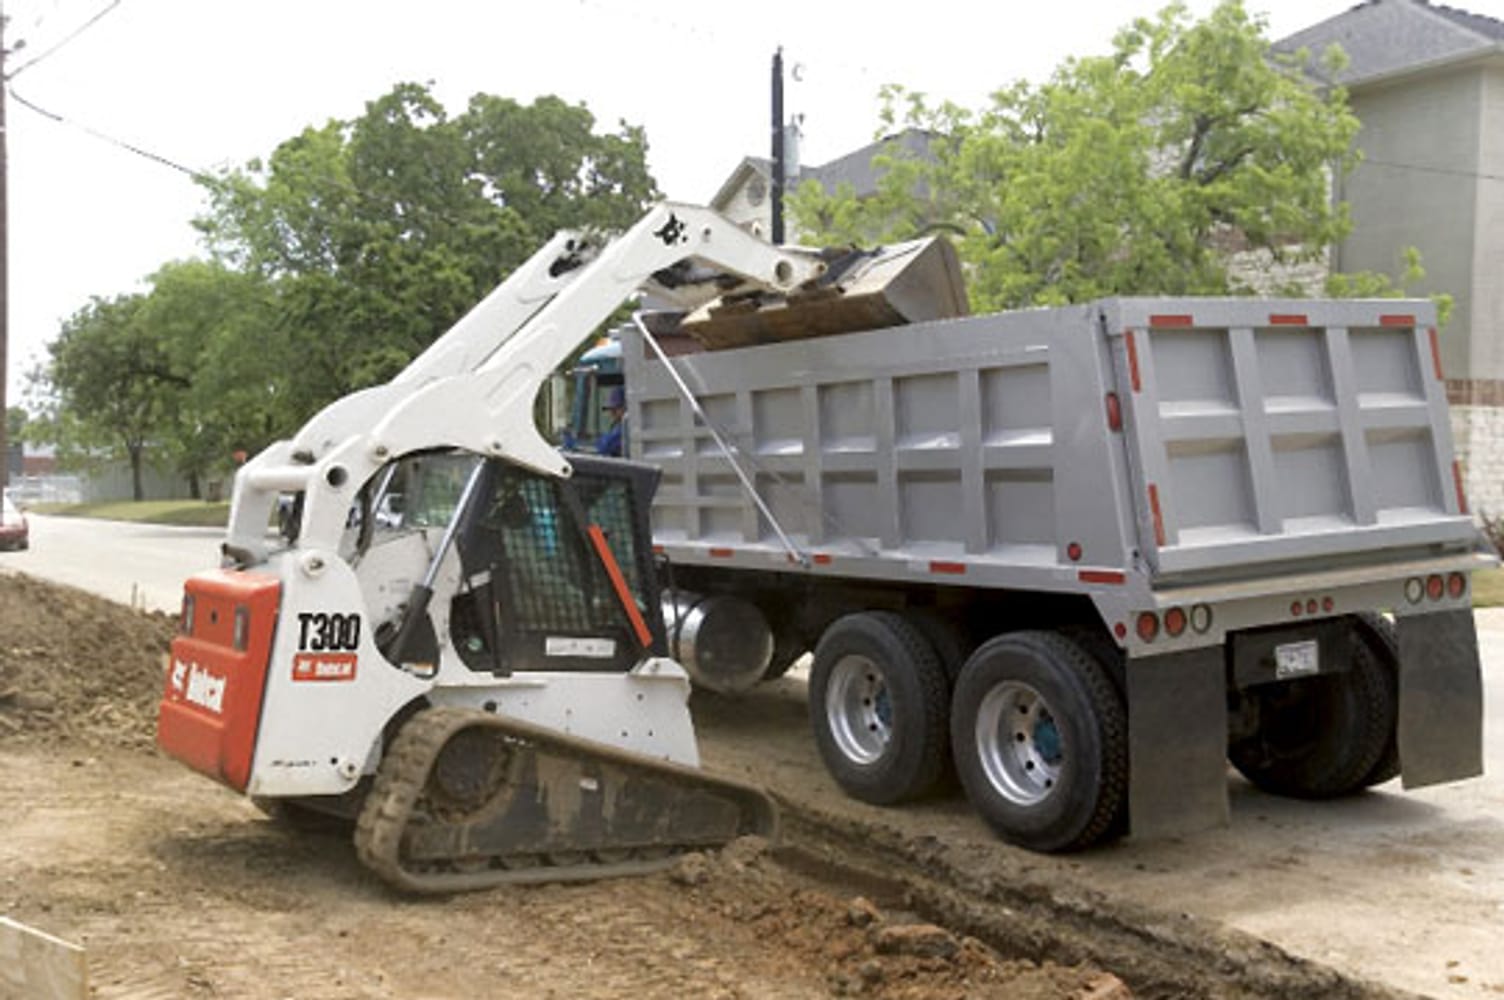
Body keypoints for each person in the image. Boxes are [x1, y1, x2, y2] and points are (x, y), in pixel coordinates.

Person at [597, 384, 627, 457]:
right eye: (611, 409)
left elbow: (605, 446)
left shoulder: (624, 426)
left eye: (615, 409)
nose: (612, 413)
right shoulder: (617, 424)